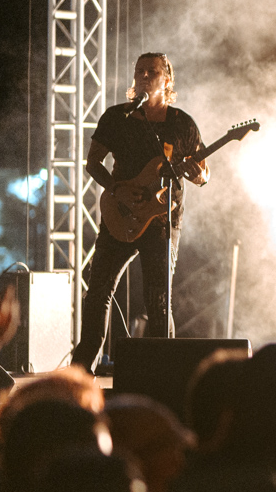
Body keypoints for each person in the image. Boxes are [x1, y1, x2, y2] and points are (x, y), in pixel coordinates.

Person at [72, 52, 208, 372]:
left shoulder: (181, 124)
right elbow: (93, 162)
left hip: (161, 221)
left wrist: (195, 173)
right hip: (120, 214)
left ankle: (163, 372)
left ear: (167, 81)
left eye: (152, 72)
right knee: (98, 292)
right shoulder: (116, 117)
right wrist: (117, 188)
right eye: (139, 72)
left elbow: (204, 174)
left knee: (158, 299)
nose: (144, 77)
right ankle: (81, 371)